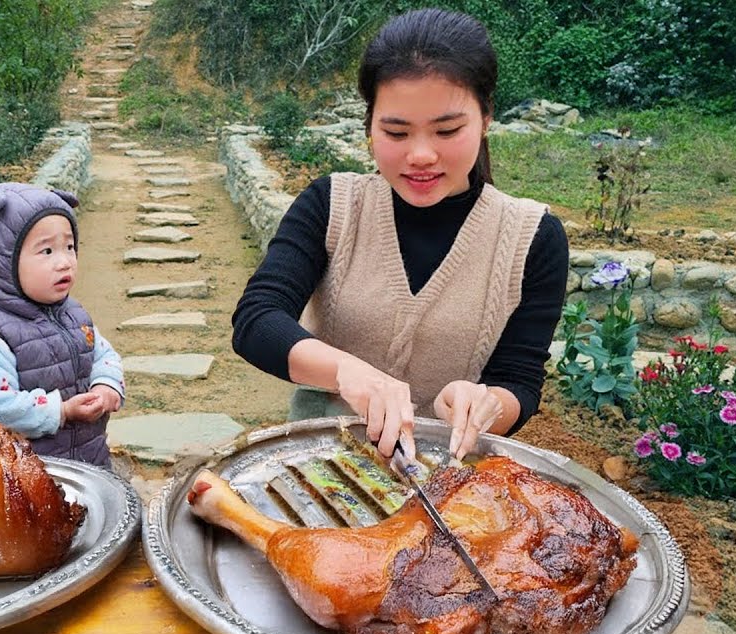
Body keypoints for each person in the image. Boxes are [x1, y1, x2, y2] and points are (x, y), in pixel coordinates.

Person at [231, 7, 569, 460]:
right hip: (319, 459)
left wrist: (487, 404)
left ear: (486, 118)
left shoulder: (532, 237)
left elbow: (519, 381)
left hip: (448, 473)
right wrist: (349, 373)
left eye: (447, 130)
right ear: (370, 124)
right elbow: (257, 319)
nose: (421, 155)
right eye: (396, 131)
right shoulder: (333, 205)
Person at [0, 182, 124, 467]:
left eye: (69, 247)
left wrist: (106, 386)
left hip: (91, 460)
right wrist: (62, 411)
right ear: (3, 261)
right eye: (47, 252)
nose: (64, 263)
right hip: (31, 475)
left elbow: (103, 355)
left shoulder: (73, 314)